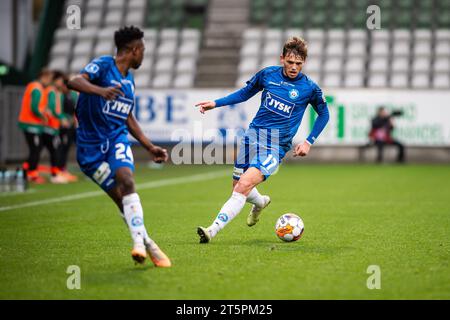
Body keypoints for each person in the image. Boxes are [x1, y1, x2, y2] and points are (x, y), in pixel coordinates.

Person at [195, 37, 329, 243]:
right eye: (290, 62)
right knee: (237, 186)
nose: (294, 67)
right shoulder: (268, 74)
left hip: (275, 146)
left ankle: (212, 230)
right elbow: (244, 93)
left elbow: (324, 114)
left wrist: (308, 141)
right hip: (252, 137)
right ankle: (260, 202)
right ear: (282, 58)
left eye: (299, 63)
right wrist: (215, 103)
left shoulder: (309, 88)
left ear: (304, 62)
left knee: (242, 186)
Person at [67, 26, 171, 267]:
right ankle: (148, 244)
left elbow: (128, 116)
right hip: (90, 151)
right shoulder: (104, 66)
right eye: (142, 50)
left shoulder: (129, 80)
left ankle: (137, 246)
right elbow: (73, 81)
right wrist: (99, 90)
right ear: (134, 50)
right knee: (120, 199)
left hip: (116, 139)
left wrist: (149, 146)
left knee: (127, 180)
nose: (143, 55)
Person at [18, 68, 53, 184]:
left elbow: (38, 106)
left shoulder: (36, 87)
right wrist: (43, 117)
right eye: (49, 79)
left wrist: (44, 112)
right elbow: (34, 107)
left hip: (31, 124)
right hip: (31, 124)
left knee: (35, 149)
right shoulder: (37, 88)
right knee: (35, 149)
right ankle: (31, 174)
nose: (50, 82)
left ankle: (26, 169)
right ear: (44, 76)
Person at [42, 70, 70, 184]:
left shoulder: (55, 92)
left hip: (53, 126)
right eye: (59, 80)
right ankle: (55, 175)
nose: (61, 82)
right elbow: (53, 109)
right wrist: (62, 118)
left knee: (53, 150)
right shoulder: (52, 92)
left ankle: (56, 173)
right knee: (54, 151)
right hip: (49, 126)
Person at [57, 74, 79, 182]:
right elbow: (58, 110)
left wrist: (74, 120)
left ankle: (63, 170)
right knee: (62, 147)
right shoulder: (60, 95)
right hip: (63, 126)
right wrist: (63, 118)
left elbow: (75, 109)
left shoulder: (73, 94)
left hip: (71, 125)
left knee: (66, 148)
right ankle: (58, 171)